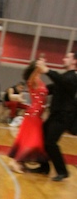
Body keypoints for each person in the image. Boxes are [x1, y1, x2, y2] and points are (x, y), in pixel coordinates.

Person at [36, 52, 77, 180]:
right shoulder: (65, 76)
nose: (64, 58)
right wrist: (38, 87)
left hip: (64, 116)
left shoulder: (73, 77)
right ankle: (44, 167)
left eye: (67, 57)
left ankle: (63, 171)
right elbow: (53, 87)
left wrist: (46, 70)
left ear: (74, 61)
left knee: (50, 142)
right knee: (41, 138)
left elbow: (61, 81)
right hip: (55, 115)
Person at [8, 62, 48, 173]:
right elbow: (32, 78)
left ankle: (17, 162)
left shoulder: (39, 79)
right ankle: (16, 161)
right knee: (33, 142)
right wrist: (38, 67)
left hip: (37, 115)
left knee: (28, 140)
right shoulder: (32, 80)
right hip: (33, 115)